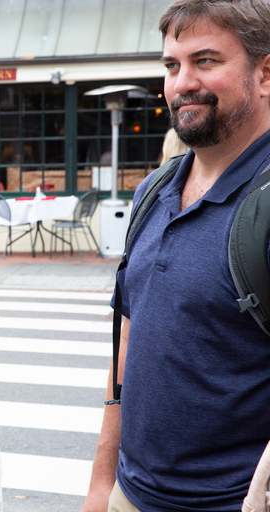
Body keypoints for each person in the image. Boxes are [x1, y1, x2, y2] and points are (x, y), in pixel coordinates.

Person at [81, 1, 270, 511]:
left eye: (205, 61)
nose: (182, 82)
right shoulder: (154, 189)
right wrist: (103, 483)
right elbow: (129, 337)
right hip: (131, 494)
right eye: (171, 65)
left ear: (265, 73)